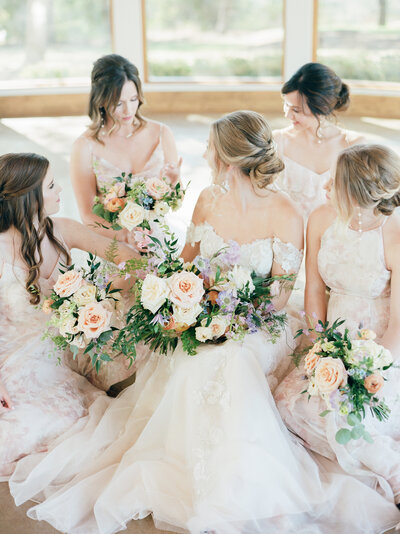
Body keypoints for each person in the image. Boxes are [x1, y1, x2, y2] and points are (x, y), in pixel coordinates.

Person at [8, 115, 399, 534]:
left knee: (230, 362)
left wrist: (231, 320)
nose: (204, 154)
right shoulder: (208, 200)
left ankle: (237, 483)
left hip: (259, 324)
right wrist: (189, 302)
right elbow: (189, 266)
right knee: (190, 359)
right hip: (204, 315)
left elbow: (281, 294)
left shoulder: (286, 211)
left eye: (210, 148)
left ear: (228, 160)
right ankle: (192, 469)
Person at [275, 144, 400, 510]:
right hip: (333, 337)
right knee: (289, 406)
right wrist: (318, 347)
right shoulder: (321, 218)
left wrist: (372, 368)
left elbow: (399, 322)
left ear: (359, 192)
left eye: (335, 181)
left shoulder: (394, 232)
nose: (325, 185)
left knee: (350, 414)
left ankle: (394, 473)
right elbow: (314, 290)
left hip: (383, 344)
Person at [0, 152, 140, 479]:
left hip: (60, 353)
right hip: (13, 361)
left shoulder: (62, 229)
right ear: (28, 197)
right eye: (51, 185)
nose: (60, 189)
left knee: (85, 412)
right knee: (48, 426)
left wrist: (104, 294)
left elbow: (130, 260)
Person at [71, 53, 182, 243]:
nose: (128, 110)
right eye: (118, 103)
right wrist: (125, 237)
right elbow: (88, 217)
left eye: (133, 99)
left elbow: (173, 201)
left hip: (158, 240)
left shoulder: (162, 133)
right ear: (101, 101)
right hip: (114, 245)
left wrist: (172, 184)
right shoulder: (84, 146)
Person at [274, 62, 365, 220]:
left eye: (296, 110)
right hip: (289, 234)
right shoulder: (278, 141)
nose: (288, 115)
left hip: (334, 236)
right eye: (286, 105)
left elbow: (362, 205)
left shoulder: (354, 145)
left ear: (322, 108)